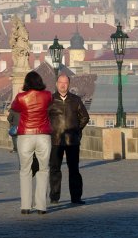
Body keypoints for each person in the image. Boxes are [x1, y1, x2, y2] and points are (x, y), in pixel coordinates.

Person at [10, 71, 53, 215]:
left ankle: (26, 206)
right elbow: (50, 105)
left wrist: (18, 93)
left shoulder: (21, 97)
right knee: (43, 169)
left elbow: (14, 108)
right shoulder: (47, 95)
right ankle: (41, 206)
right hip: (43, 135)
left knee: (25, 171)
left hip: (26, 136)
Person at [47, 74, 90, 205]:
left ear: (69, 84)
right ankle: (54, 197)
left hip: (72, 140)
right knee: (55, 168)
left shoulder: (76, 100)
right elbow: (44, 117)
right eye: (61, 82)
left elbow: (85, 117)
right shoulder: (50, 100)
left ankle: (76, 197)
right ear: (56, 84)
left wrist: (77, 129)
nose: (63, 85)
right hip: (55, 139)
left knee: (74, 169)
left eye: (65, 83)